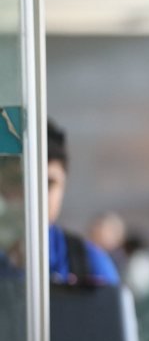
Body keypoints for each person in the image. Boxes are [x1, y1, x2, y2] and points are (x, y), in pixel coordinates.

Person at [3, 120, 122, 284]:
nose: (34, 195)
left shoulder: (89, 265)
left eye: (49, 183)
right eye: (19, 181)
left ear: (64, 186)